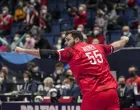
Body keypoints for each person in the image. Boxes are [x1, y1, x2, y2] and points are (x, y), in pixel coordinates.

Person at [15, 30, 129, 110]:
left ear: (77, 39)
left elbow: (46, 54)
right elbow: (117, 45)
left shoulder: (72, 51)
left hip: (94, 94)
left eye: (68, 39)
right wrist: (125, 39)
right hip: (112, 93)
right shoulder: (98, 47)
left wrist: (24, 50)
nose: (66, 42)